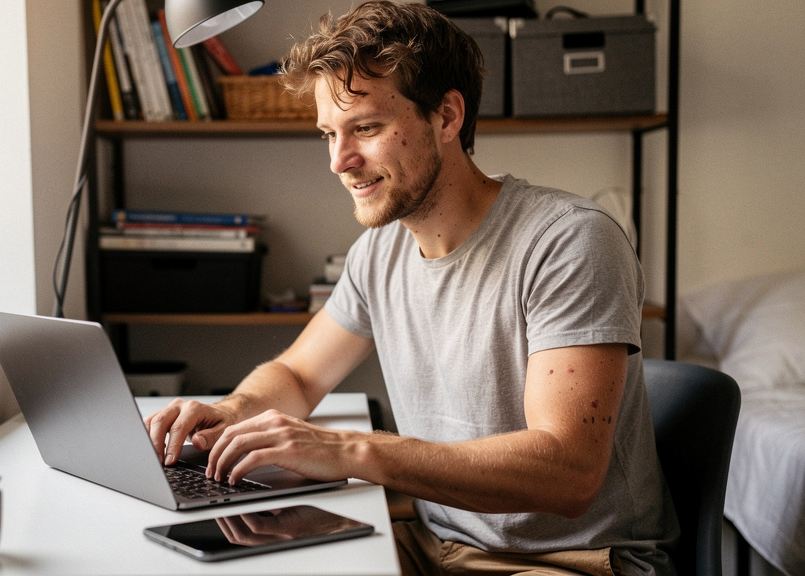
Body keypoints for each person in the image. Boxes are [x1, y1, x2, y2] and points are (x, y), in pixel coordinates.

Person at [145, 2, 678, 574]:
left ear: (447, 117)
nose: (339, 161)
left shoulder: (568, 241)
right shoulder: (380, 252)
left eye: (366, 128)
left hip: (567, 561)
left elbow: (568, 473)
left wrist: (351, 450)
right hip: (434, 543)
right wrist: (232, 414)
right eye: (330, 133)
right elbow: (299, 375)